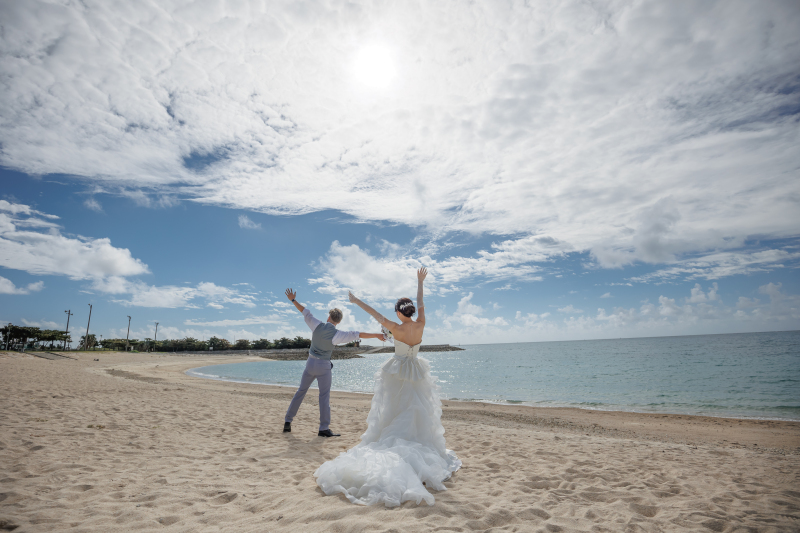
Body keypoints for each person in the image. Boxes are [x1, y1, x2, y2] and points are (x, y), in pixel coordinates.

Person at [313, 268, 461, 506]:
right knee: (417, 409)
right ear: (411, 311)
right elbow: (421, 302)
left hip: (397, 372)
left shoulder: (396, 327)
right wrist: (420, 281)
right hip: (417, 371)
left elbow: (375, 314)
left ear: (398, 312)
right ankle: (417, 442)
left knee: (395, 409)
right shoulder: (421, 323)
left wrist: (356, 301)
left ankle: (398, 444)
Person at [283, 289, 386, 437]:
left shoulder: (316, 325)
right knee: (324, 396)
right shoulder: (338, 335)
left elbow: (304, 311)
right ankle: (323, 428)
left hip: (310, 364)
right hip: (323, 366)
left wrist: (293, 300)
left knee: (301, 392)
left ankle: (288, 421)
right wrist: (377, 335)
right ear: (338, 322)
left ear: (328, 317)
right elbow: (358, 334)